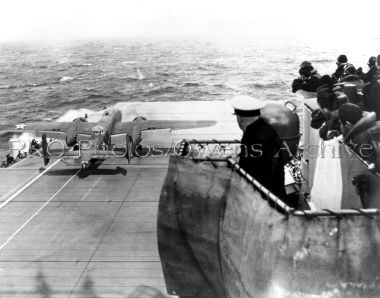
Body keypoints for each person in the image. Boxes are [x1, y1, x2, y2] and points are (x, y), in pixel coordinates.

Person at [232, 95, 286, 199]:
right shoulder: (261, 130)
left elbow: (261, 174)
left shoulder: (258, 138)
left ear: (239, 118)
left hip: (265, 201)